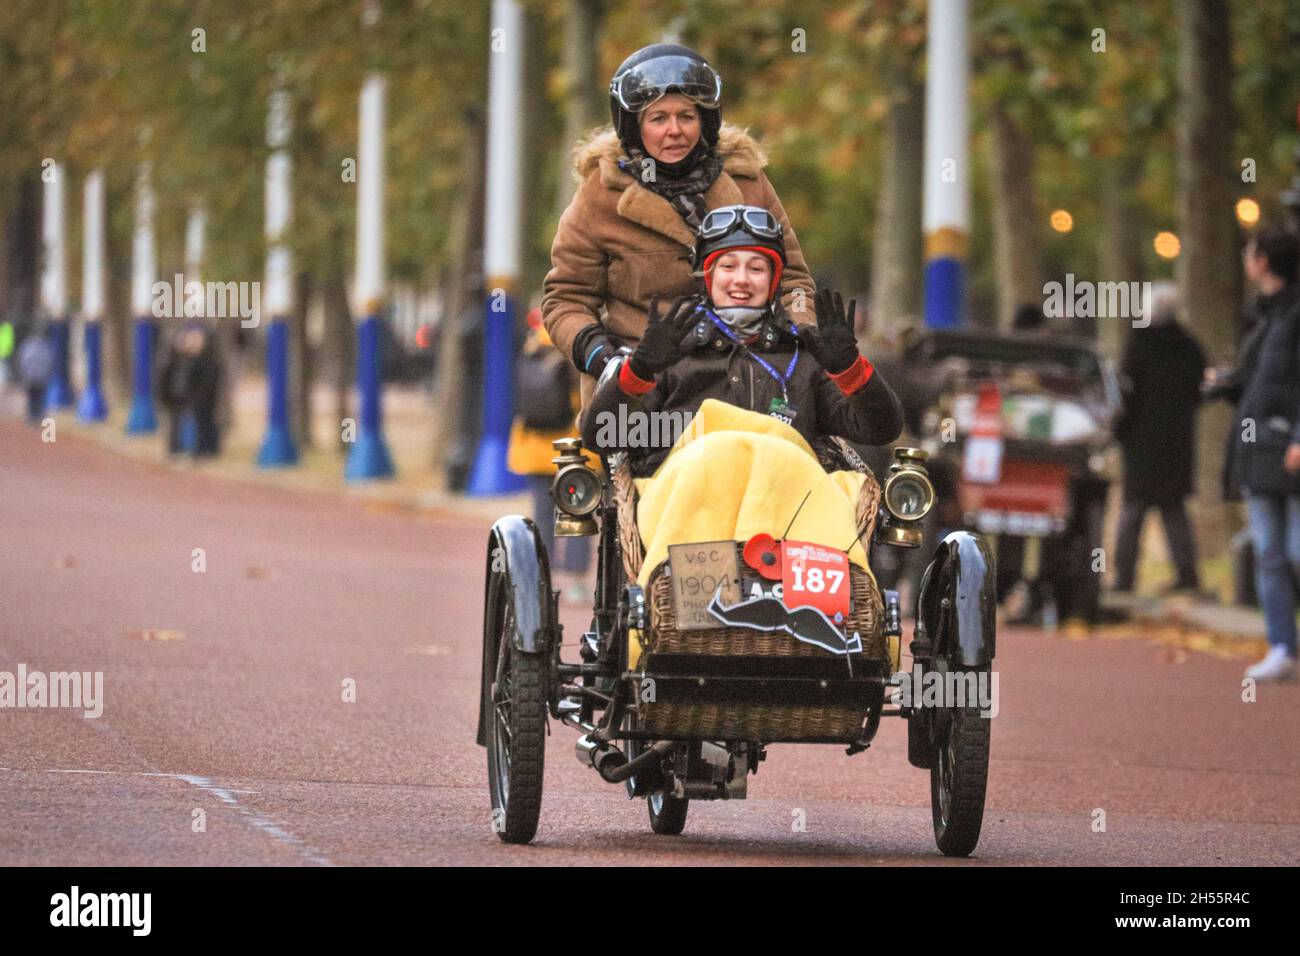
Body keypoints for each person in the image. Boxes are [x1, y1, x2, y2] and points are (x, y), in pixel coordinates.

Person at [544, 44, 816, 427]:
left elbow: (794, 281)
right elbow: (565, 300)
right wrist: (602, 357)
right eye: (658, 118)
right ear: (633, 125)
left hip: (749, 380)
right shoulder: (599, 194)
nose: (674, 130)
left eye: (686, 115)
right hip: (643, 396)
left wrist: (803, 333)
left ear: (705, 120)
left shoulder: (748, 180)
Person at [581, 204, 902, 472]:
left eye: (756, 269)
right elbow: (603, 436)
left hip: (788, 524)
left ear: (774, 280)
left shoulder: (803, 359)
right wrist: (639, 371)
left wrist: (849, 369)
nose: (741, 280)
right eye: (728, 266)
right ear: (708, 277)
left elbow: (881, 429)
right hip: (688, 525)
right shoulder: (671, 354)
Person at [1208, 229, 1300, 681]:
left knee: (1297, 550)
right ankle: (1282, 646)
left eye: (1250, 252)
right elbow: (1260, 382)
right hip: (1258, 450)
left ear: (1263, 261)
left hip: (1288, 448)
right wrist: (1223, 384)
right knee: (1269, 551)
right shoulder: (1263, 318)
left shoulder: (1293, 314)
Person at [1112, 283, 1207, 595]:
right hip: (1177, 442)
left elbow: (1123, 395)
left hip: (1140, 441)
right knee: (1174, 509)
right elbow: (1200, 392)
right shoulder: (1190, 347)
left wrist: (1118, 432)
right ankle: (1187, 575)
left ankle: (1124, 578)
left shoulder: (1138, 344)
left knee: (1132, 511)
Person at [507, 307, 592, 603]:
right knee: (576, 516)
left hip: (533, 447)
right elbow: (584, 399)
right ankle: (577, 582)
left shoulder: (532, 347)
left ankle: (542, 579)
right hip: (572, 448)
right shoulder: (577, 347)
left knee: (542, 515)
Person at [17, 323, 54, 425]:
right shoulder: (46, 346)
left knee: (32, 397)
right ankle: (37, 416)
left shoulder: (28, 345)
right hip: (41, 377)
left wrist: (24, 373)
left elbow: (23, 360)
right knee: (39, 397)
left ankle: (32, 416)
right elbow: (50, 361)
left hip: (31, 376)